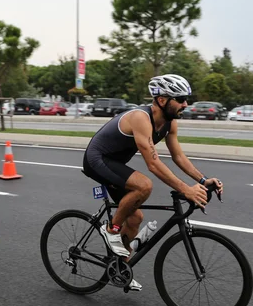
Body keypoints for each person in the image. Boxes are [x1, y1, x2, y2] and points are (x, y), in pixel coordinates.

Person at [83, 74, 224, 291]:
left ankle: (121, 268)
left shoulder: (170, 123)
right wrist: (186, 189)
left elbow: (178, 156)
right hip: (97, 160)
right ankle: (111, 231)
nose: (186, 104)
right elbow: (153, 164)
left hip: (116, 163)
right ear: (161, 100)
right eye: (180, 99)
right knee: (144, 185)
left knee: (135, 217)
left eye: (186, 98)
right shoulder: (141, 118)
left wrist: (203, 180)